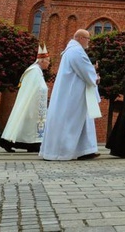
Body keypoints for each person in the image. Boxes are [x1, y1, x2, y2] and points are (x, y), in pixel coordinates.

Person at [40, 29, 101, 161]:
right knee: (71, 123)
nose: (89, 42)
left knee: (83, 121)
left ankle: (86, 150)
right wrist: (94, 75)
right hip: (73, 95)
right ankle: (64, 151)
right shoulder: (76, 51)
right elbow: (86, 70)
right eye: (87, 39)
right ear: (80, 38)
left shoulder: (71, 50)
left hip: (76, 93)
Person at [0, 45, 51, 153]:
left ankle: (32, 144)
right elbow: (35, 88)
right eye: (47, 61)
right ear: (41, 61)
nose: (49, 64)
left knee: (28, 126)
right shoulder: (34, 71)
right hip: (31, 104)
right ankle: (8, 142)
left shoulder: (37, 71)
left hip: (34, 105)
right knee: (24, 124)